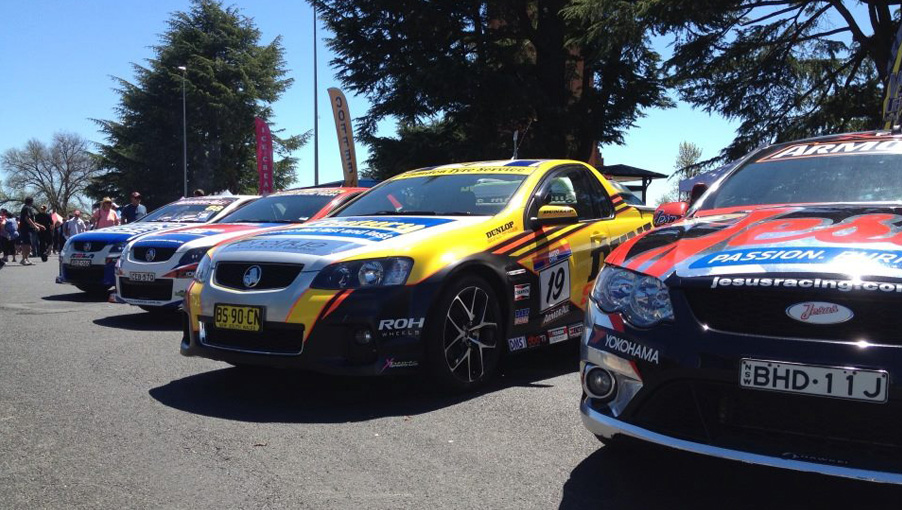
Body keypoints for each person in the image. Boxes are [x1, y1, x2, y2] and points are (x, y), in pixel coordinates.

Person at [18, 197, 44, 265]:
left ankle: (26, 259)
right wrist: (35, 226)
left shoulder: (28, 208)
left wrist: (40, 226)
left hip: (29, 229)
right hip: (26, 229)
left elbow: (32, 220)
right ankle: (24, 259)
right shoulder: (26, 208)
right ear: (31, 202)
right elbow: (27, 218)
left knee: (28, 245)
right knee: (27, 245)